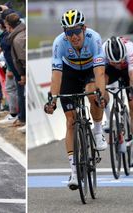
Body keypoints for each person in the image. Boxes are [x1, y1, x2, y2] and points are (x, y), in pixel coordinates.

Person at [44, 9, 107, 190]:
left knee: (92, 92)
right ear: (65, 33)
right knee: (71, 121)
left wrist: (100, 94)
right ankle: (73, 171)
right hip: (69, 73)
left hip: (89, 72)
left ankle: (97, 130)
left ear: (84, 29)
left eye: (76, 31)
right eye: (69, 32)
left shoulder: (94, 38)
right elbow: (56, 74)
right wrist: (53, 100)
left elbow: (100, 71)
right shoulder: (59, 43)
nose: (73, 36)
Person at [102, 36, 133, 136]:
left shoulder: (130, 48)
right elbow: (99, 75)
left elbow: (131, 75)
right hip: (110, 70)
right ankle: (108, 119)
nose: (117, 65)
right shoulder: (102, 51)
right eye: (114, 62)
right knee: (101, 83)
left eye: (119, 62)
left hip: (127, 70)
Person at [5, 13, 26, 131]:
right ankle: (22, 118)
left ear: (9, 25)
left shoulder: (17, 39)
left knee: (23, 95)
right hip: (21, 70)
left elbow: (22, 59)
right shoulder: (19, 33)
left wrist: (23, 74)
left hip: (23, 71)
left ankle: (23, 118)